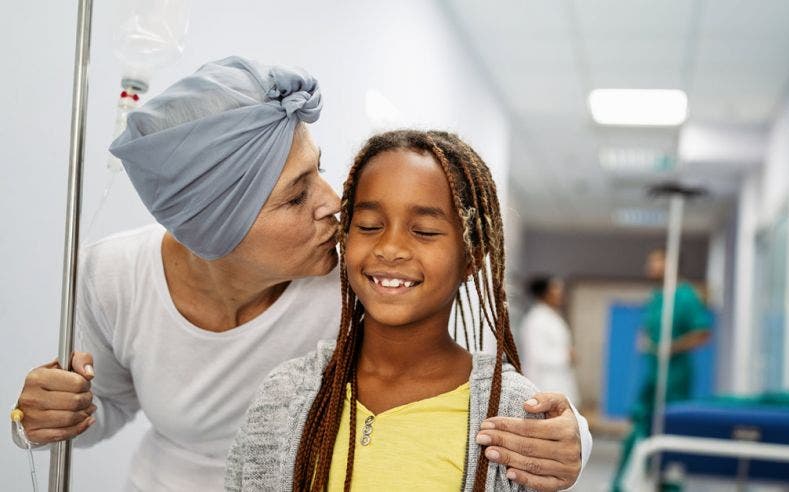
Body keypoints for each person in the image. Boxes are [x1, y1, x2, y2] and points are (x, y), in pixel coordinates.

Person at [10, 57, 590, 491]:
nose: (333, 203)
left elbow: (473, 384)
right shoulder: (113, 276)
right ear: (216, 231)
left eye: (319, 170)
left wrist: (573, 443)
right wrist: (56, 414)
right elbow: (102, 408)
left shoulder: (359, 278)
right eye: (295, 197)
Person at [228, 130, 564, 491]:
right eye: (369, 226)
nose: (390, 248)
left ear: (471, 255)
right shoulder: (286, 393)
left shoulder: (508, 412)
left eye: (424, 231)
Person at [611, 248, 711, 491]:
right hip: (652, 372)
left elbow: (702, 333)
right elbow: (650, 328)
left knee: (669, 429)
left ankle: (667, 482)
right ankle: (622, 482)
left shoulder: (686, 296)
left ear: (671, 263)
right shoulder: (657, 297)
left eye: (655, 261)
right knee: (639, 425)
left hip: (674, 376)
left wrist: (672, 347)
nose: (650, 266)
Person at [519, 277, 579, 406]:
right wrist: (566, 356)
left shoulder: (552, 317)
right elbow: (535, 356)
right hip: (544, 383)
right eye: (555, 290)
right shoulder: (535, 320)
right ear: (544, 294)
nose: (560, 294)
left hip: (559, 380)